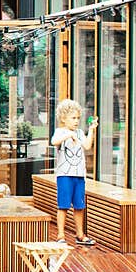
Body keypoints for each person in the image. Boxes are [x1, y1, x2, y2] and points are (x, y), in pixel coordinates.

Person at [50, 98, 98, 246]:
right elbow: (54, 141)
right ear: (64, 118)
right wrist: (68, 135)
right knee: (63, 205)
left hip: (79, 175)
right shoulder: (60, 131)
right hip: (64, 175)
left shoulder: (79, 132)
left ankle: (80, 234)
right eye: (73, 118)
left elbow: (87, 146)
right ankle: (60, 234)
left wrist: (91, 130)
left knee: (79, 205)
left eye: (78, 118)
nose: (76, 121)